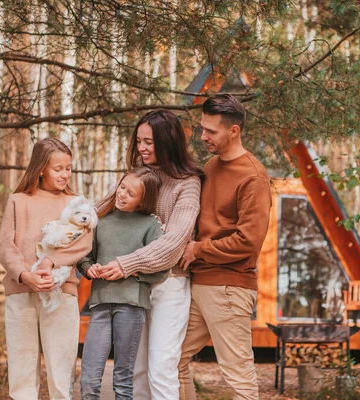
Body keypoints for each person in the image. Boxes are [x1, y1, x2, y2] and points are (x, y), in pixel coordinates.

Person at [93, 110, 202, 399]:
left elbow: (174, 243)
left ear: (168, 142)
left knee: (161, 368)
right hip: (132, 287)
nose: (141, 148)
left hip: (169, 286)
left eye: (149, 142)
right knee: (134, 370)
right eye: (139, 141)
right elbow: (98, 211)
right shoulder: (137, 176)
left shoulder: (187, 184)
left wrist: (126, 263)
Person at [178, 94, 272, 400]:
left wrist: (198, 250)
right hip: (199, 283)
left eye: (211, 131)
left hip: (230, 288)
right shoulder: (212, 165)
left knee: (238, 377)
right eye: (202, 128)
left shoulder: (253, 177)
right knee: (171, 359)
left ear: (234, 131)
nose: (203, 136)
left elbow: (248, 241)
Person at [0, 137, 93, 400]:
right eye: (58, 169)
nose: (65, 175)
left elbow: (83, 242)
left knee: (61, 371)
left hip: (60, 291)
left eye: (68, 168)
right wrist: (27, 275)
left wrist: (52, 263)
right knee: (21, 369)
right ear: (41, 168)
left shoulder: (75, 202)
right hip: (21, 291)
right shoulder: (18, 200)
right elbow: (5, 245)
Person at [78, 166, 168, 399]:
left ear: (142, 201)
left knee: (123, 381)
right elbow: (84, 257)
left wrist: (131, 272)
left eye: (131, 193)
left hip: (131, 307)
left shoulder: (150, 225)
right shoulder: (102, 220)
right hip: (99, 305)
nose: (122, 194)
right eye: (122, 186)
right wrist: (90, 269)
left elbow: (161, 269)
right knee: (88, 380)